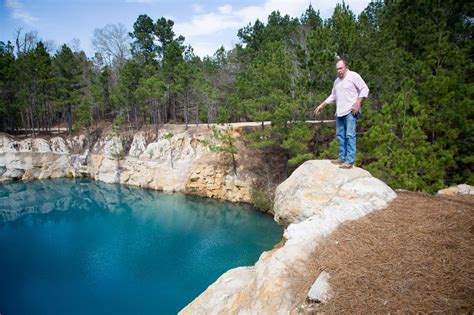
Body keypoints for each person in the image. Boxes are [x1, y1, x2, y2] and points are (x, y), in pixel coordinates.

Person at [314, 59, 369, 169]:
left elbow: (365, 89)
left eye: (340, 68)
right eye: (337, 69)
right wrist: (322, 105)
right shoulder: (337, 82)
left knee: (350, 135)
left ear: (346, 67)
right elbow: (333, 96)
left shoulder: (353, 76)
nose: (339, 71)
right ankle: (342, 157)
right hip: (340, 112)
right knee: (340, 136)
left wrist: (358, 103)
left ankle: (349, 161)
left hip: (350, 111)